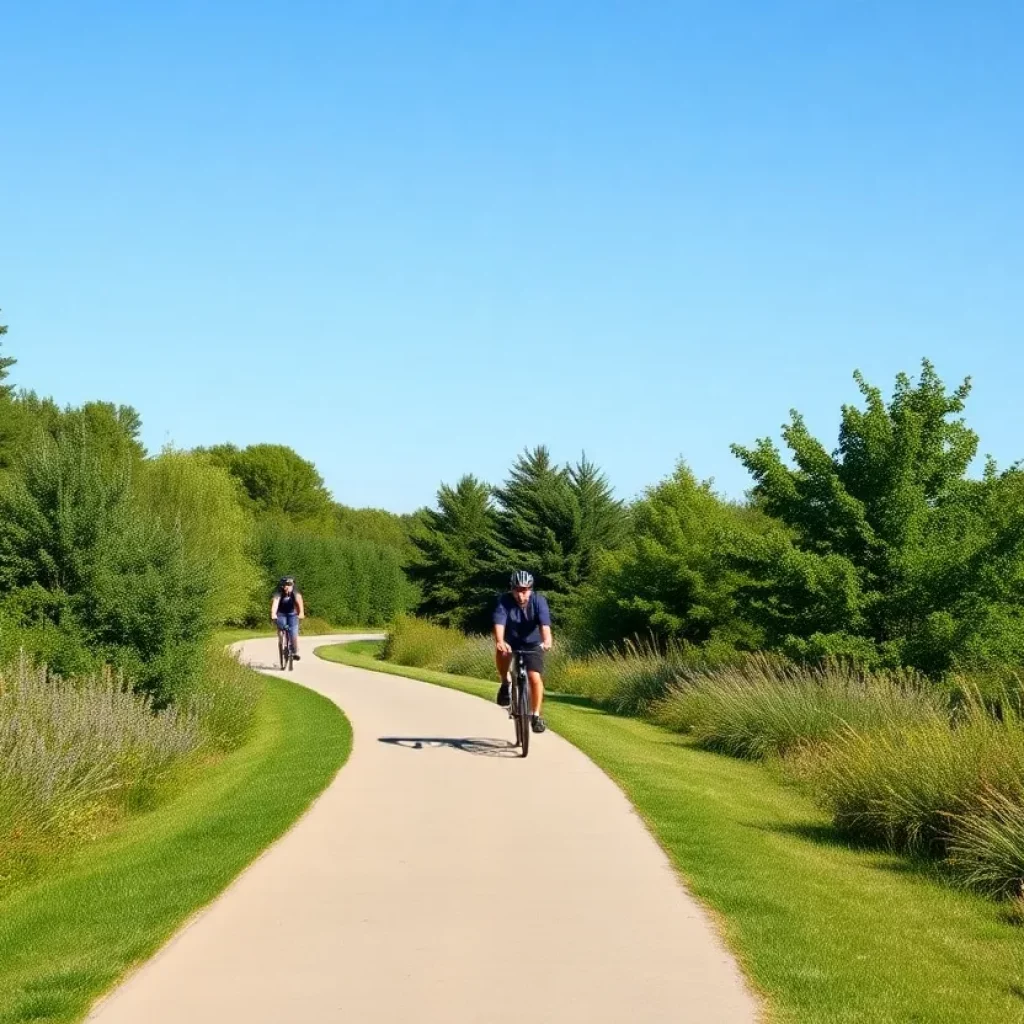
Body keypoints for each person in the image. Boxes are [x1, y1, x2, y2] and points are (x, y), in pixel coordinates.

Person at [493, 570, 553, 734]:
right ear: (512, 589)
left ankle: (535, 716)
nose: (521, 594)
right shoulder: (504, 601)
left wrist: (547, 640)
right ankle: (505, 683)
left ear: (531, 589)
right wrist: (500, 641)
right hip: (511, 641)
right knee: (503, 652)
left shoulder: (539, 601)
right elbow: (499, 623)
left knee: (534, 676)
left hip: (532, 643)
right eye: (518, 589)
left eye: (525, 590)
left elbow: (544, 625)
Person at [270, 576, 305, 660]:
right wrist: (273, 614)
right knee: (281, 631)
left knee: (294, 635)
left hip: (292, 614)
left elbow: (300, 604)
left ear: (293, 585)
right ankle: (282, 645)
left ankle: (295, 651)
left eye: (289, 585)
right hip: (281, 614)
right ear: (282, 586)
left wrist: (301, 613)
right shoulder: (278, 594)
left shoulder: (296, 594)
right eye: (285, 585)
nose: (287, 587)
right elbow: (275, 604)